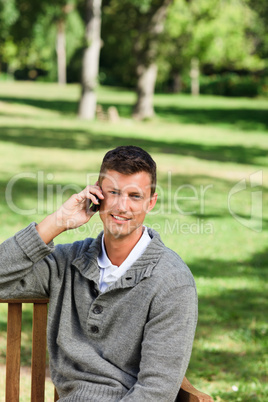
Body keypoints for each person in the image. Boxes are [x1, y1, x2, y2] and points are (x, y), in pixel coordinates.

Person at [0, 146, 198, 401]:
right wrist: (58, 221)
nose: (121, 206)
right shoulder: (66, 262)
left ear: (151, 202)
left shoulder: (172, 282)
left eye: (135, 196)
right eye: (113, 192)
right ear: (97, 194)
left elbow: (155, 392)